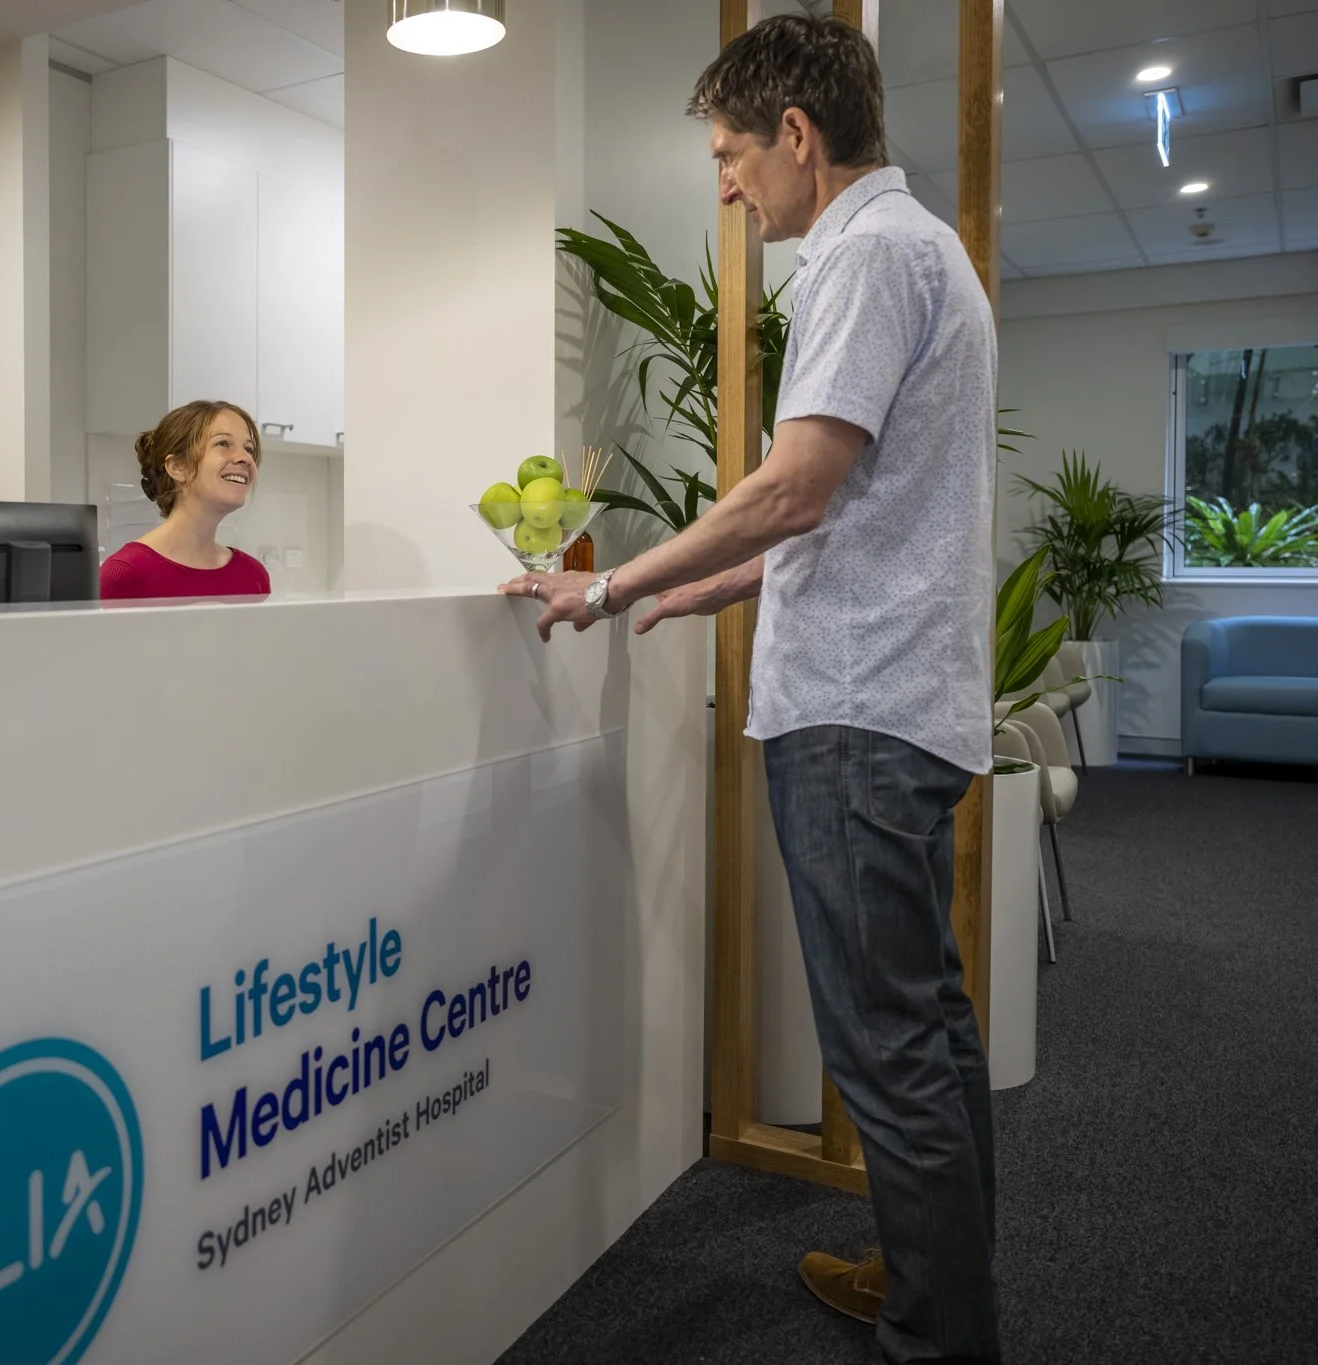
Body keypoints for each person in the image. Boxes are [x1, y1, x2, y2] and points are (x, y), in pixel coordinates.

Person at [502, 15, 1000, 1365]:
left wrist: (604, 586)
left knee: (889, 1044)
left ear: (798, 137)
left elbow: (795, 485)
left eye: (732, 153)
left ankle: (939, 1337)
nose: (726, 183)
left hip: (858, 712)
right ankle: (925, 1282)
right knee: (929, 1033)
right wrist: (703, 588)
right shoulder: (922, 252)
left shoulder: (868, 255)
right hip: (900, 696)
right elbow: (858, 512)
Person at [101, 400, 272, 601]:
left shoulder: (253, 577)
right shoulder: (124, 574)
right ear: (177, 467)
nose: (245, 458)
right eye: (223, 443)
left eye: (249, 449)